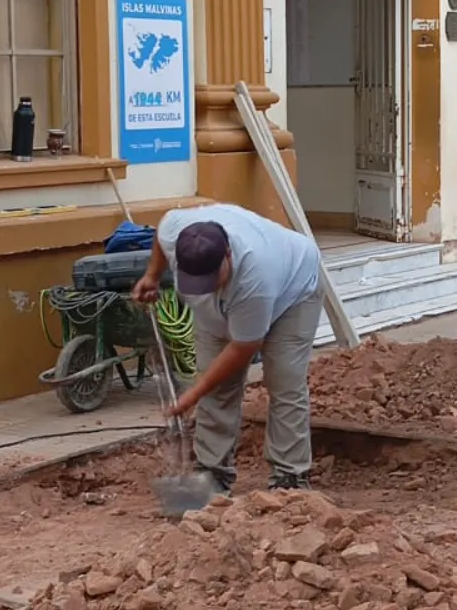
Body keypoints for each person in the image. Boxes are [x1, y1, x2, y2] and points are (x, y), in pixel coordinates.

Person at [132, 203, 324, 496]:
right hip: (226, 307)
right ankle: (212, 473)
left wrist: (192, 394)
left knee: (284, 380)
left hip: (295, 291)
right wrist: (152, 275)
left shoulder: (256, 274)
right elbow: (162, 233)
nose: (204, 288)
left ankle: (289, 477)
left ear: (228, 256)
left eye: (210, 280)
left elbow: (244, 347)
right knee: (216, 385)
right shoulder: (177, 231)